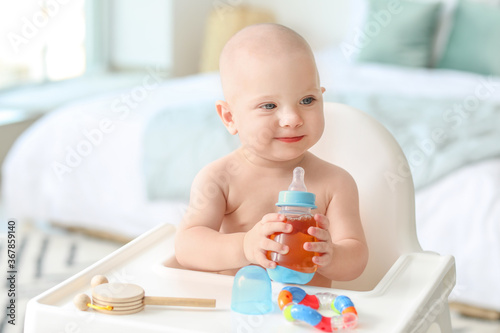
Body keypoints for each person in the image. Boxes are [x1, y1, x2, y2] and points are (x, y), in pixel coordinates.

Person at [171, 23, 368, 287]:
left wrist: (333, 255)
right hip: (236, 314)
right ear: (230, 117)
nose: (292, 119)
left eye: (307, 100)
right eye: (269, 105)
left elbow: (356, 258)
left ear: (322, 98)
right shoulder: (219, 179)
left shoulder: (336, 183)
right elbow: (187, 246)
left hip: (306, 318)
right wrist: (243, 246)